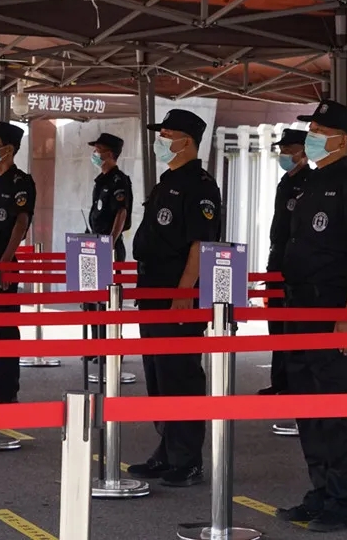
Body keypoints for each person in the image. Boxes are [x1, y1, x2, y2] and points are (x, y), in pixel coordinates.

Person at [276, 100, 347, 533]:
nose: (311, 136)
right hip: (298, 307)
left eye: (319, 130)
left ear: (342, 140)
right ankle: (319, 490)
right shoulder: (307, 183)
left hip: (333, 310)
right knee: (308, 407)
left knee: (337, 411)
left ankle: (340, 500)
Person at [127, 109, 221, 488]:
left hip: (177, 297)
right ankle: (167, 450)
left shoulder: (200, 185)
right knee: (158, 376)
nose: (161, 141)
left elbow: (201, 243)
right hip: (152, 293)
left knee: (180, 376)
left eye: (167, 134)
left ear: (187, 141)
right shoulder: (167, 180)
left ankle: (187, 459)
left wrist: (184, 291)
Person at [0, 121, 36, 404]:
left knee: (4, 329)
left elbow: (21, 222)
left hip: (4, 263)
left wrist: (5, 262)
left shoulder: (21, 182)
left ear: (9, 149)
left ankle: (6, 392)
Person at [259, 128, 312, 396]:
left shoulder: (310, 182)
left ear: (304, 152)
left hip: (297, 264)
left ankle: (293, 382)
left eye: (290, 150)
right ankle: (279, 380)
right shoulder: (285, 182)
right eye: (282, 150)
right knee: (276, 324)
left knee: (292, 326)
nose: (284, 155)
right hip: (277, 261)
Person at [82, 133, 133, 356]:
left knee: (109, 299)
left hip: (109, 246)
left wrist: (110, 242)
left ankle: (112, 345)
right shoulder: (101, 181)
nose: (95, 154)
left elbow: (122, 212)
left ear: (110, 154)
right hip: (93, 244)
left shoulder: (119, 181)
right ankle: (95, 345)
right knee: (92, 298)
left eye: (98, 150)